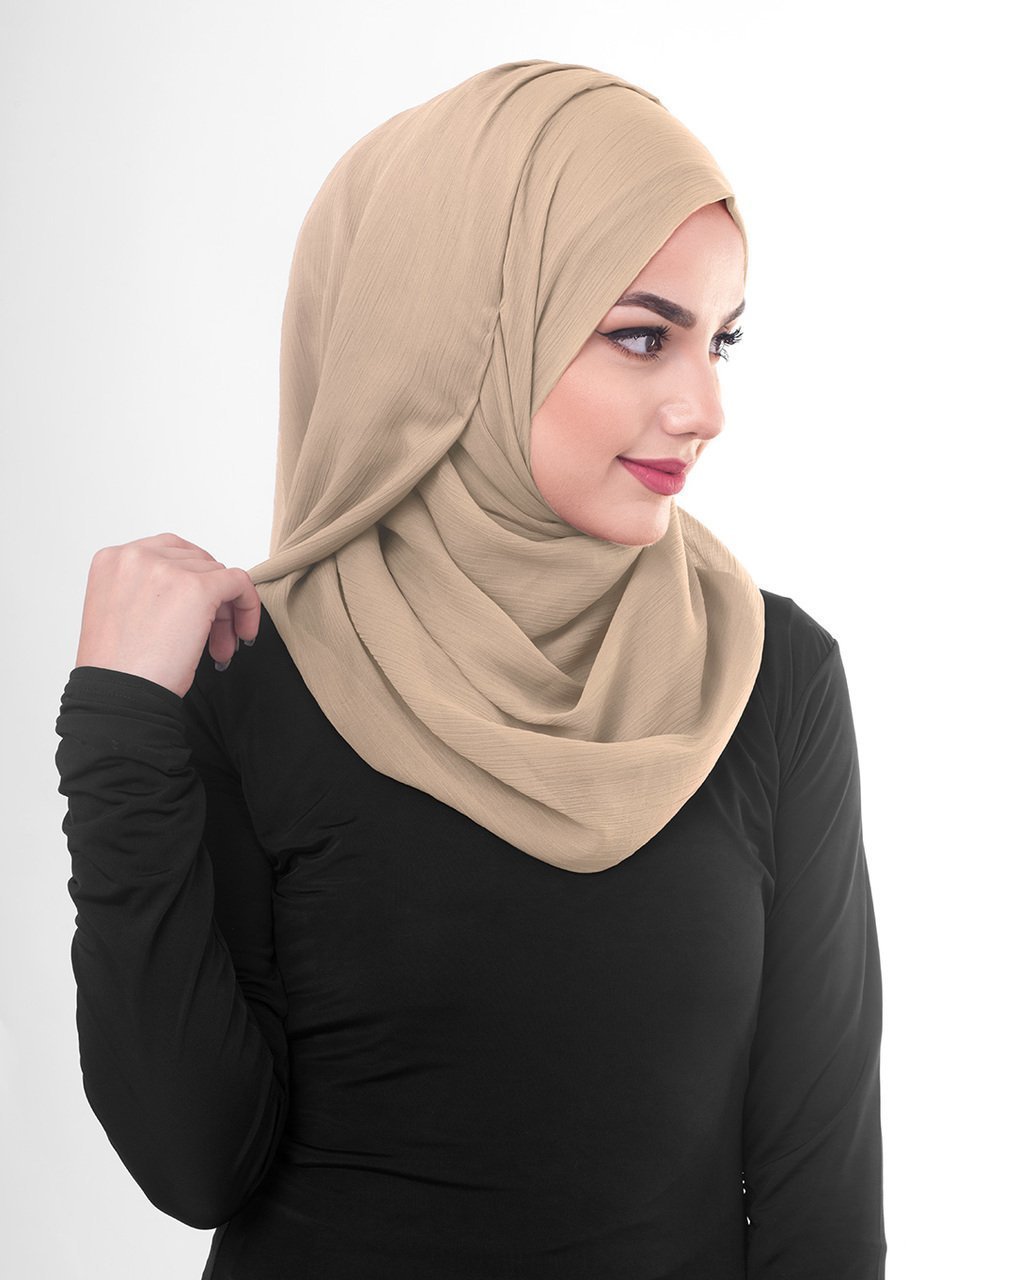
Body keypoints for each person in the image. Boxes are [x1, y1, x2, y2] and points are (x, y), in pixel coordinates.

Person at [54, 59, 886, 1278]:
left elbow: (820, 1190)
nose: (704, 406)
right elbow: (196, 1163)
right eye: (641, 336)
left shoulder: (767, 677)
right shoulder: (247, 671)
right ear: (457, 335)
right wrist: (119, 729)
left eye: (720, 340)